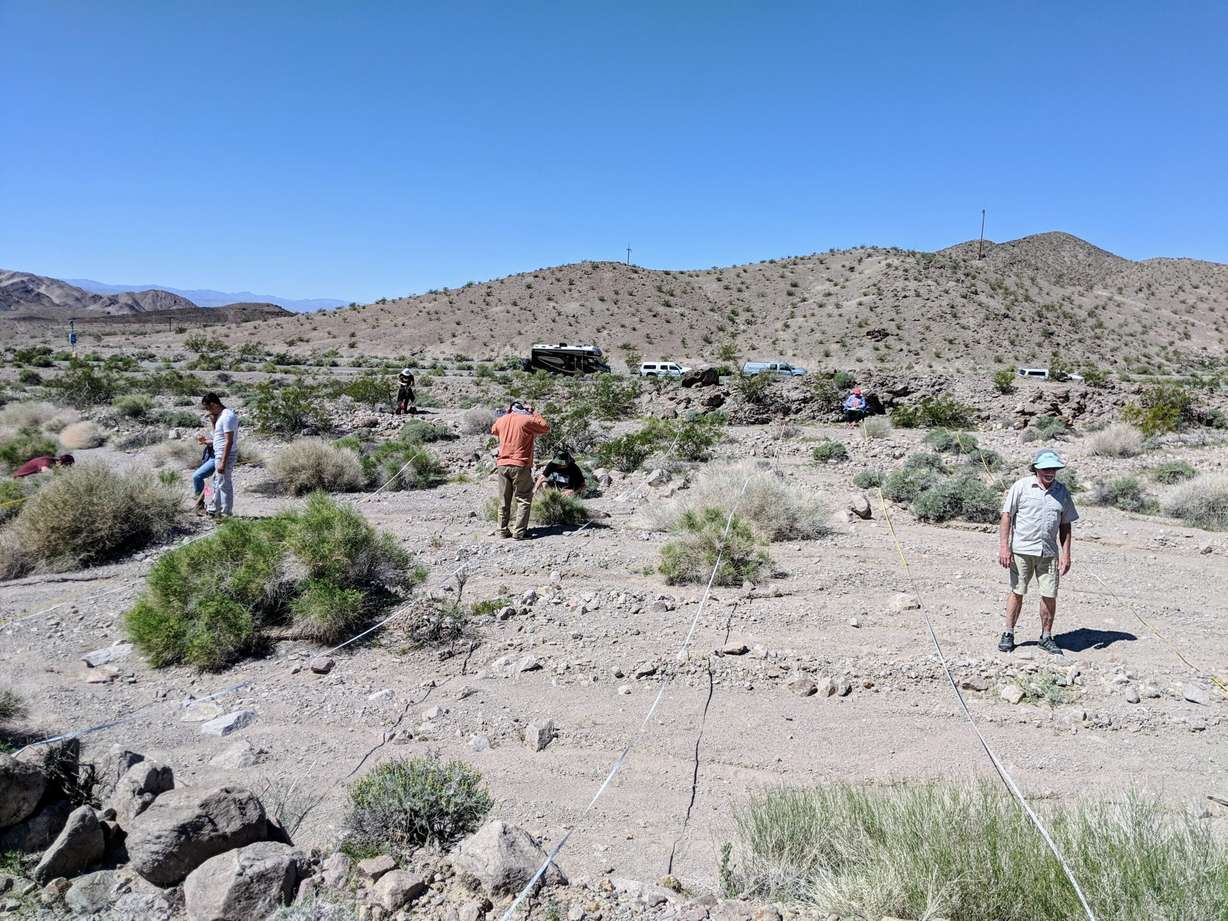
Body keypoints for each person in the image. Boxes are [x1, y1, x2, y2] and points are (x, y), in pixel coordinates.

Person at [998, 449, 1079, 655]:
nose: (1049, 472)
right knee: (1017, 591)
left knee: (1049, 594)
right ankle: (1008, 633)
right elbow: (1007, 516)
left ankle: (1046, 636)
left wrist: (1067, 554)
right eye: (1045, 469)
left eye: (1053, 468)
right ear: (1036, 469)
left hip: (1049, 553)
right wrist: (1004, 547)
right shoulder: (1021, 487)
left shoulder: (1062, 492)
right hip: (1022, 551)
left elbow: (1065, 525)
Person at [490, 401, 549, 539]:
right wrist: (533, 412)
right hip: (520, 465)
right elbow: (545, 427)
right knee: (523, 499)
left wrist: (507, 415)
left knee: (504, 500)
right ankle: (519, 532)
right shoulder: (527, 420)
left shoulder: (502, 420)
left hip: (502, 464)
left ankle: (501, 531)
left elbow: (493, 430)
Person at [201, 392, 238, 518]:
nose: (208, 411)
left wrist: (223, 461)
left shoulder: (227, 416)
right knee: (217, 481)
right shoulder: (221, 416)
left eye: (207, 407)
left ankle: (226, 512)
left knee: (223, 483)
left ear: (213, 404)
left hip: (224, 455)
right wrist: (207, 441)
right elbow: (220, 438)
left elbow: (229, 441)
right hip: (219, 454)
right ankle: (213, 507)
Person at [191, 436, 215, 513]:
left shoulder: (224, 424)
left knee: (197, 476)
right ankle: (201, 504)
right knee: (215, 482)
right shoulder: (215, 425)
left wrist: (207, 442)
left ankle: (201, 503)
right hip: (210, 454)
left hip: (217, 456)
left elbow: (223, 441)